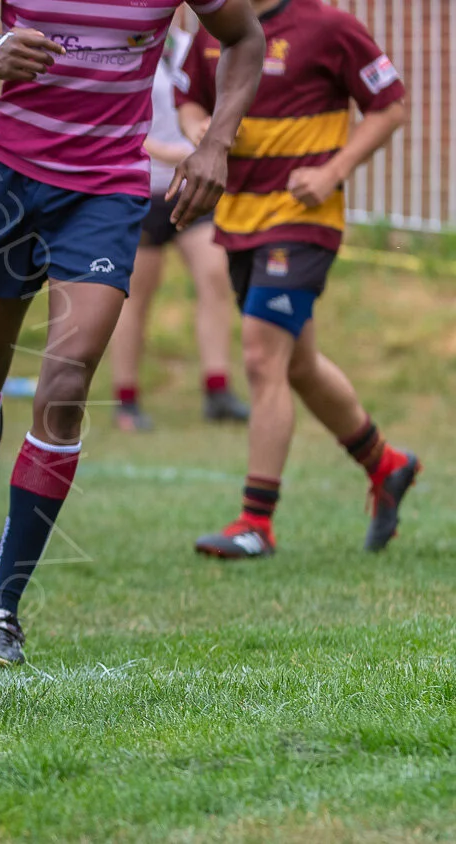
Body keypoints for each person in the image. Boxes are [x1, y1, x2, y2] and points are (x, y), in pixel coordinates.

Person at [0, 0, 265, 665]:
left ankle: (2, 608)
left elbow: (245, 36)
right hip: (2, 183)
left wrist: (217, 141)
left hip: (104, 195)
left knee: (66, 385)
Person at [179, 0, 418, 559]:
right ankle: (387, 464)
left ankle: (255, 523)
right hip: (237, 218)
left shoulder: (329, 26)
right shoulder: (217, 24)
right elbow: (188, 97)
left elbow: (391, 106)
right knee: (299, 365)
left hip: (302, 220)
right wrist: (206, 132)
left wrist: (333, 171)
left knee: (263, 358)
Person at [110, 14, 250, 432]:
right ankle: (127, 401)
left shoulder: (192, 46)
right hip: (140, 190)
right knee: (135, 296)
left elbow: (208, 103)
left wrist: (208, 135)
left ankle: (217, 389)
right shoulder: (119, 44)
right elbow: (115, 120)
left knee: (213, 274)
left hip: (189, 187)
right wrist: (167, 151)